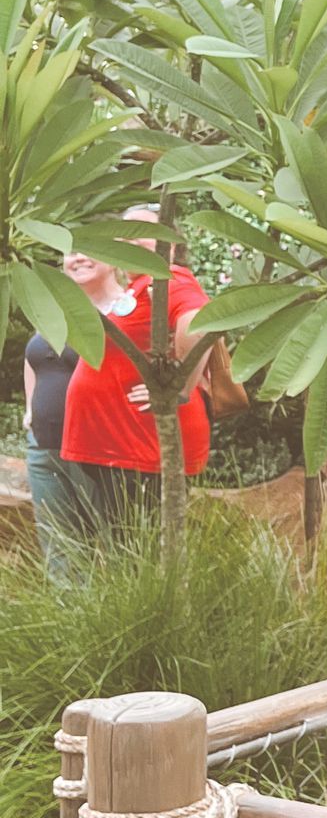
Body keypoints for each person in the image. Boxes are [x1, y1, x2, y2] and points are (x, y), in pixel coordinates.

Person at [60, 213, 212, 526]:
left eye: (140, 230)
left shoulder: (170, 277)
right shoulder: (142, 289)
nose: (128, 237)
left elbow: (198, 322)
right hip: (118, 445)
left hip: (139, 446)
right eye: (123, 232)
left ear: (169, 244)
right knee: (120, 544)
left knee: (134, 548)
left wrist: (180, 386)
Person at [21, 249, 131, 569]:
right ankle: (67, 615)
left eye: (90, 250)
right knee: (61, 548)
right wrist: (30, 408)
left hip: (102, 447)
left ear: (114, 259)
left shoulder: (128, 308)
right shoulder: (55, 309)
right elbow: (35, 359)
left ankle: (123, 617)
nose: (79, 258)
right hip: (45, 445)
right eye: (71, 253)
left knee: (120, 545)